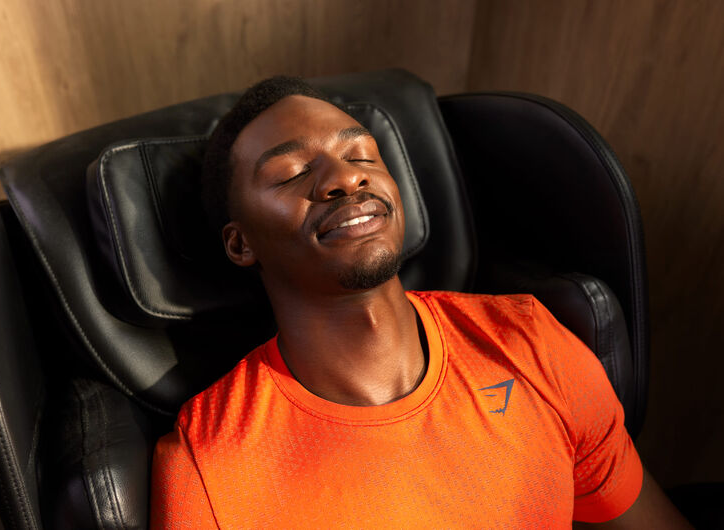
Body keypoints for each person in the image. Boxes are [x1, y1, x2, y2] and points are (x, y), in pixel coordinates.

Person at [151, 76, 689, 528]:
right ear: (240, 243)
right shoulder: (209, 467)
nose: (345, 177)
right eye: (292, 173)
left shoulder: (529, 341)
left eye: (361, 153)